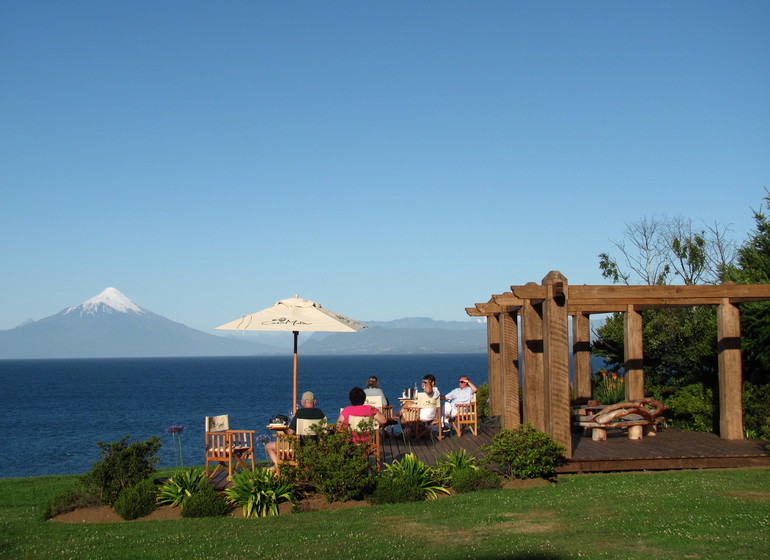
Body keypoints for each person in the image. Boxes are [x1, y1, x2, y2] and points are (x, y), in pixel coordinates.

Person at [265, 391, 325, 468]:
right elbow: (323, 431)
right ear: (315, 402)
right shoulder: (320, 413)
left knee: (268, 446)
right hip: (315, 446)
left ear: (302, 402)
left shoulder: (300, 413)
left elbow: (290, 432)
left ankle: (277, 466)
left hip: (298, 447)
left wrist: (285, 431)